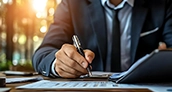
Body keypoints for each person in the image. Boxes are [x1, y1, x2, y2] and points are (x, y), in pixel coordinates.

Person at [32, 0, 172, 78]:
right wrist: (57, 63)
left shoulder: (162, 4)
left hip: (142, 91)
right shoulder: (72, 4)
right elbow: (43, 52)